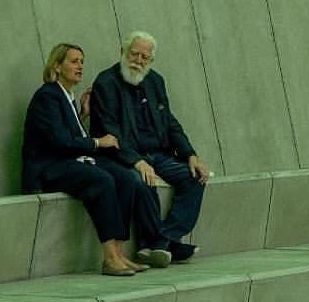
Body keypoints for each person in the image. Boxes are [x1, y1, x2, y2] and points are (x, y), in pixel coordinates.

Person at [19, 42, 148, 276]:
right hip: (48, 168)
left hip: (68, 162)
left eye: (82, 62)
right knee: (101, 180)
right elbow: (59, 142)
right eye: (74, 61)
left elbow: (66, 134)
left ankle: (119, 254)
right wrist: (98, 142)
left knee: (126, 178)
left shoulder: (66, 96)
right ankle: (109, 259)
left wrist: (82, 114)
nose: (80, 66)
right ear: (57, 66)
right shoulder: (47, 96)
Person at [90, 31, 211, 267]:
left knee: (195, 177)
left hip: (158, 153)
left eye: (144, 57)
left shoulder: (155, 81)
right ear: (122, 52)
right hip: (123, 156)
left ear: (151, 60)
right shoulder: (106, 82)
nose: (138, 61)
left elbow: (170, 123)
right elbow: (109, 130)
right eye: (133, 54)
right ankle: (161, 244)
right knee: (142, 181)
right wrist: (137, 161)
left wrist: (191, 154)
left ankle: (163, 240)